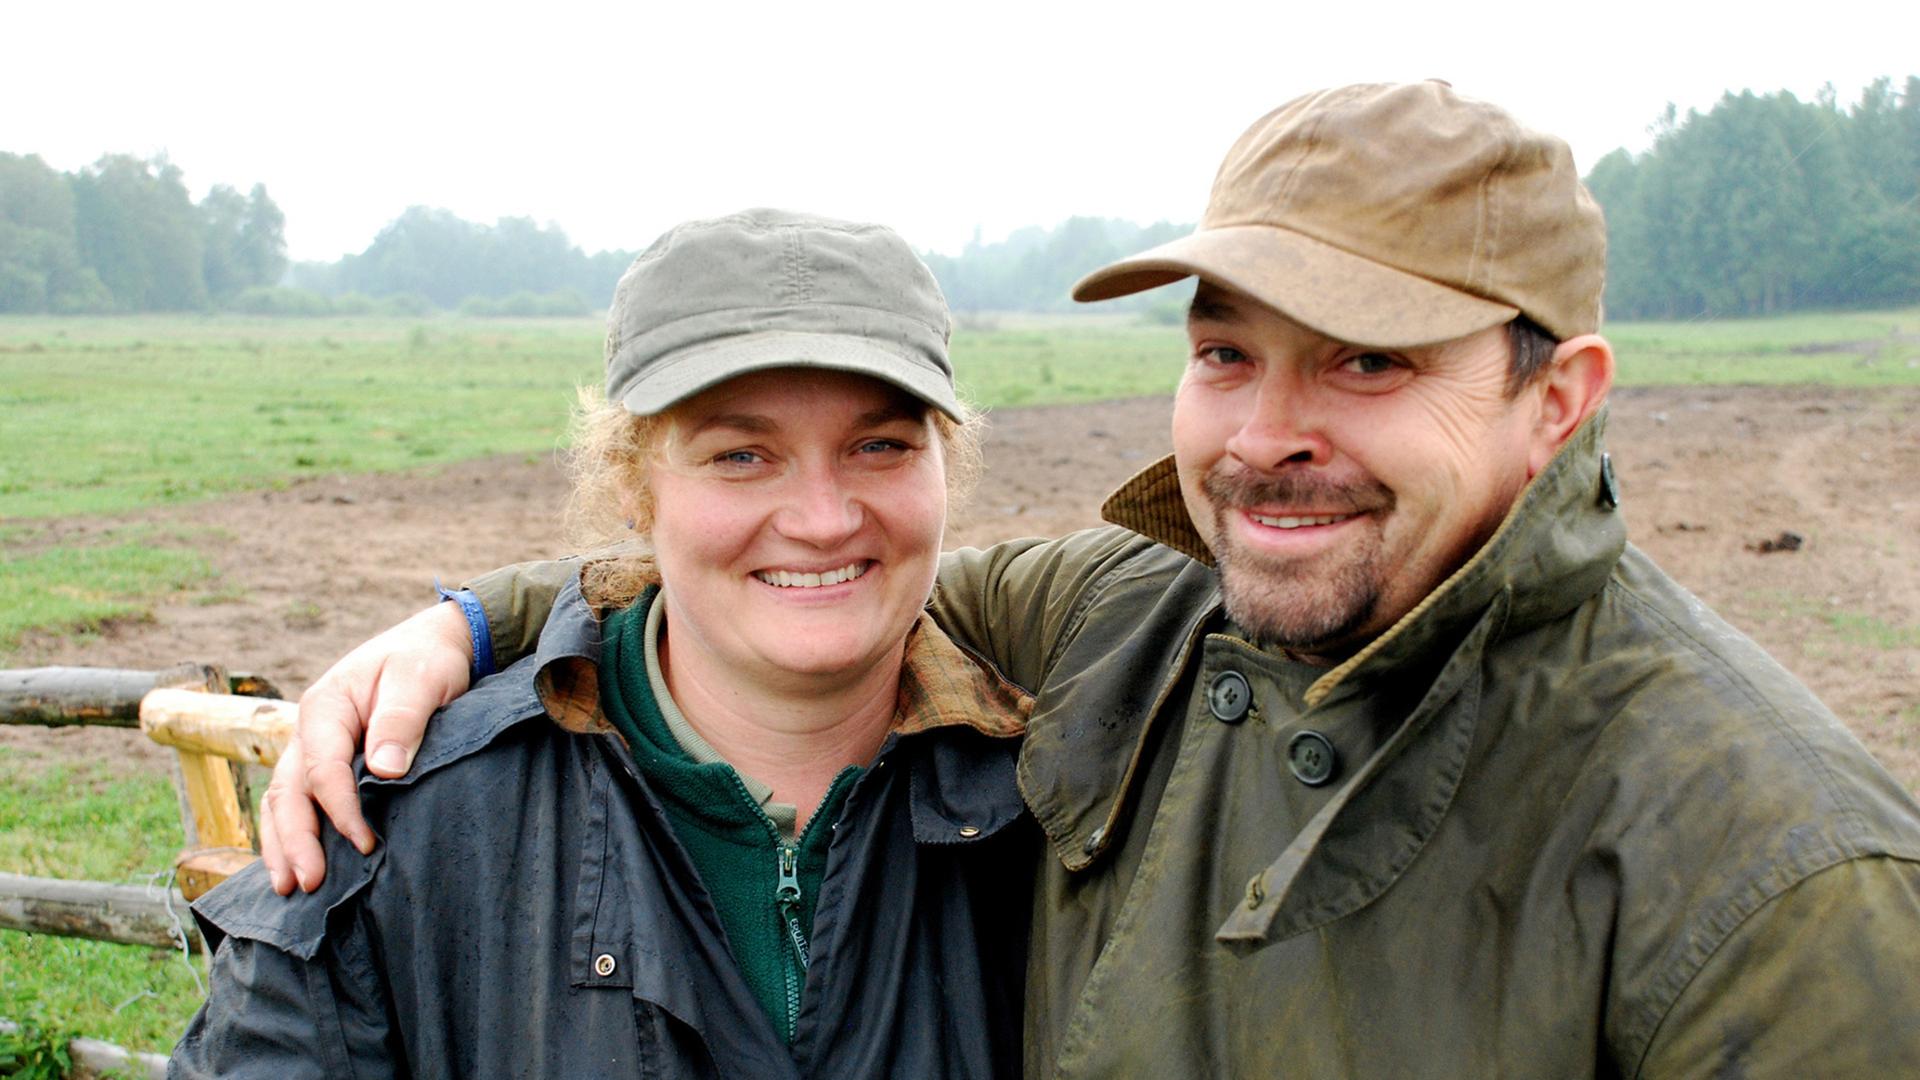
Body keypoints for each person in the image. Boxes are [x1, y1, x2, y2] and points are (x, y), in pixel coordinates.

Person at [265, 84, 1920, 1076]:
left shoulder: (1772, 871)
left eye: (1363, 361)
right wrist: (465, 620)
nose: (1266, 436)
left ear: (1559, 398)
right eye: (1223, 351)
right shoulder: (1140, 612)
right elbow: (807, 573)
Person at [172, 209, 1036, 1079]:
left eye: (879, 445)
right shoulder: (393, 837)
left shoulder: (1069, 803)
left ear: (944, 468)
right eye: (741, 456)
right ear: (632, 483)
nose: (823, 519)